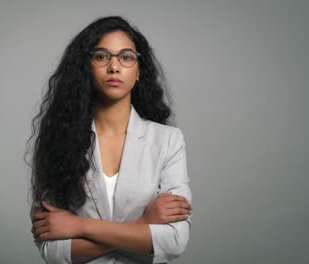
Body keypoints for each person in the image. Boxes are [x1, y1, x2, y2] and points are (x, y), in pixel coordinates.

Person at [25, 16, 193, 263]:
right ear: (86, 68)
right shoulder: (58, 140)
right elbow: (52, 250)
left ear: (138, 72)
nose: (114, 66)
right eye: (101, 56)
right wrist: (144, 225)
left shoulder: (168, 140)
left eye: (126, 57)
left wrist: (79, 226)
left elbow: (174, 241)